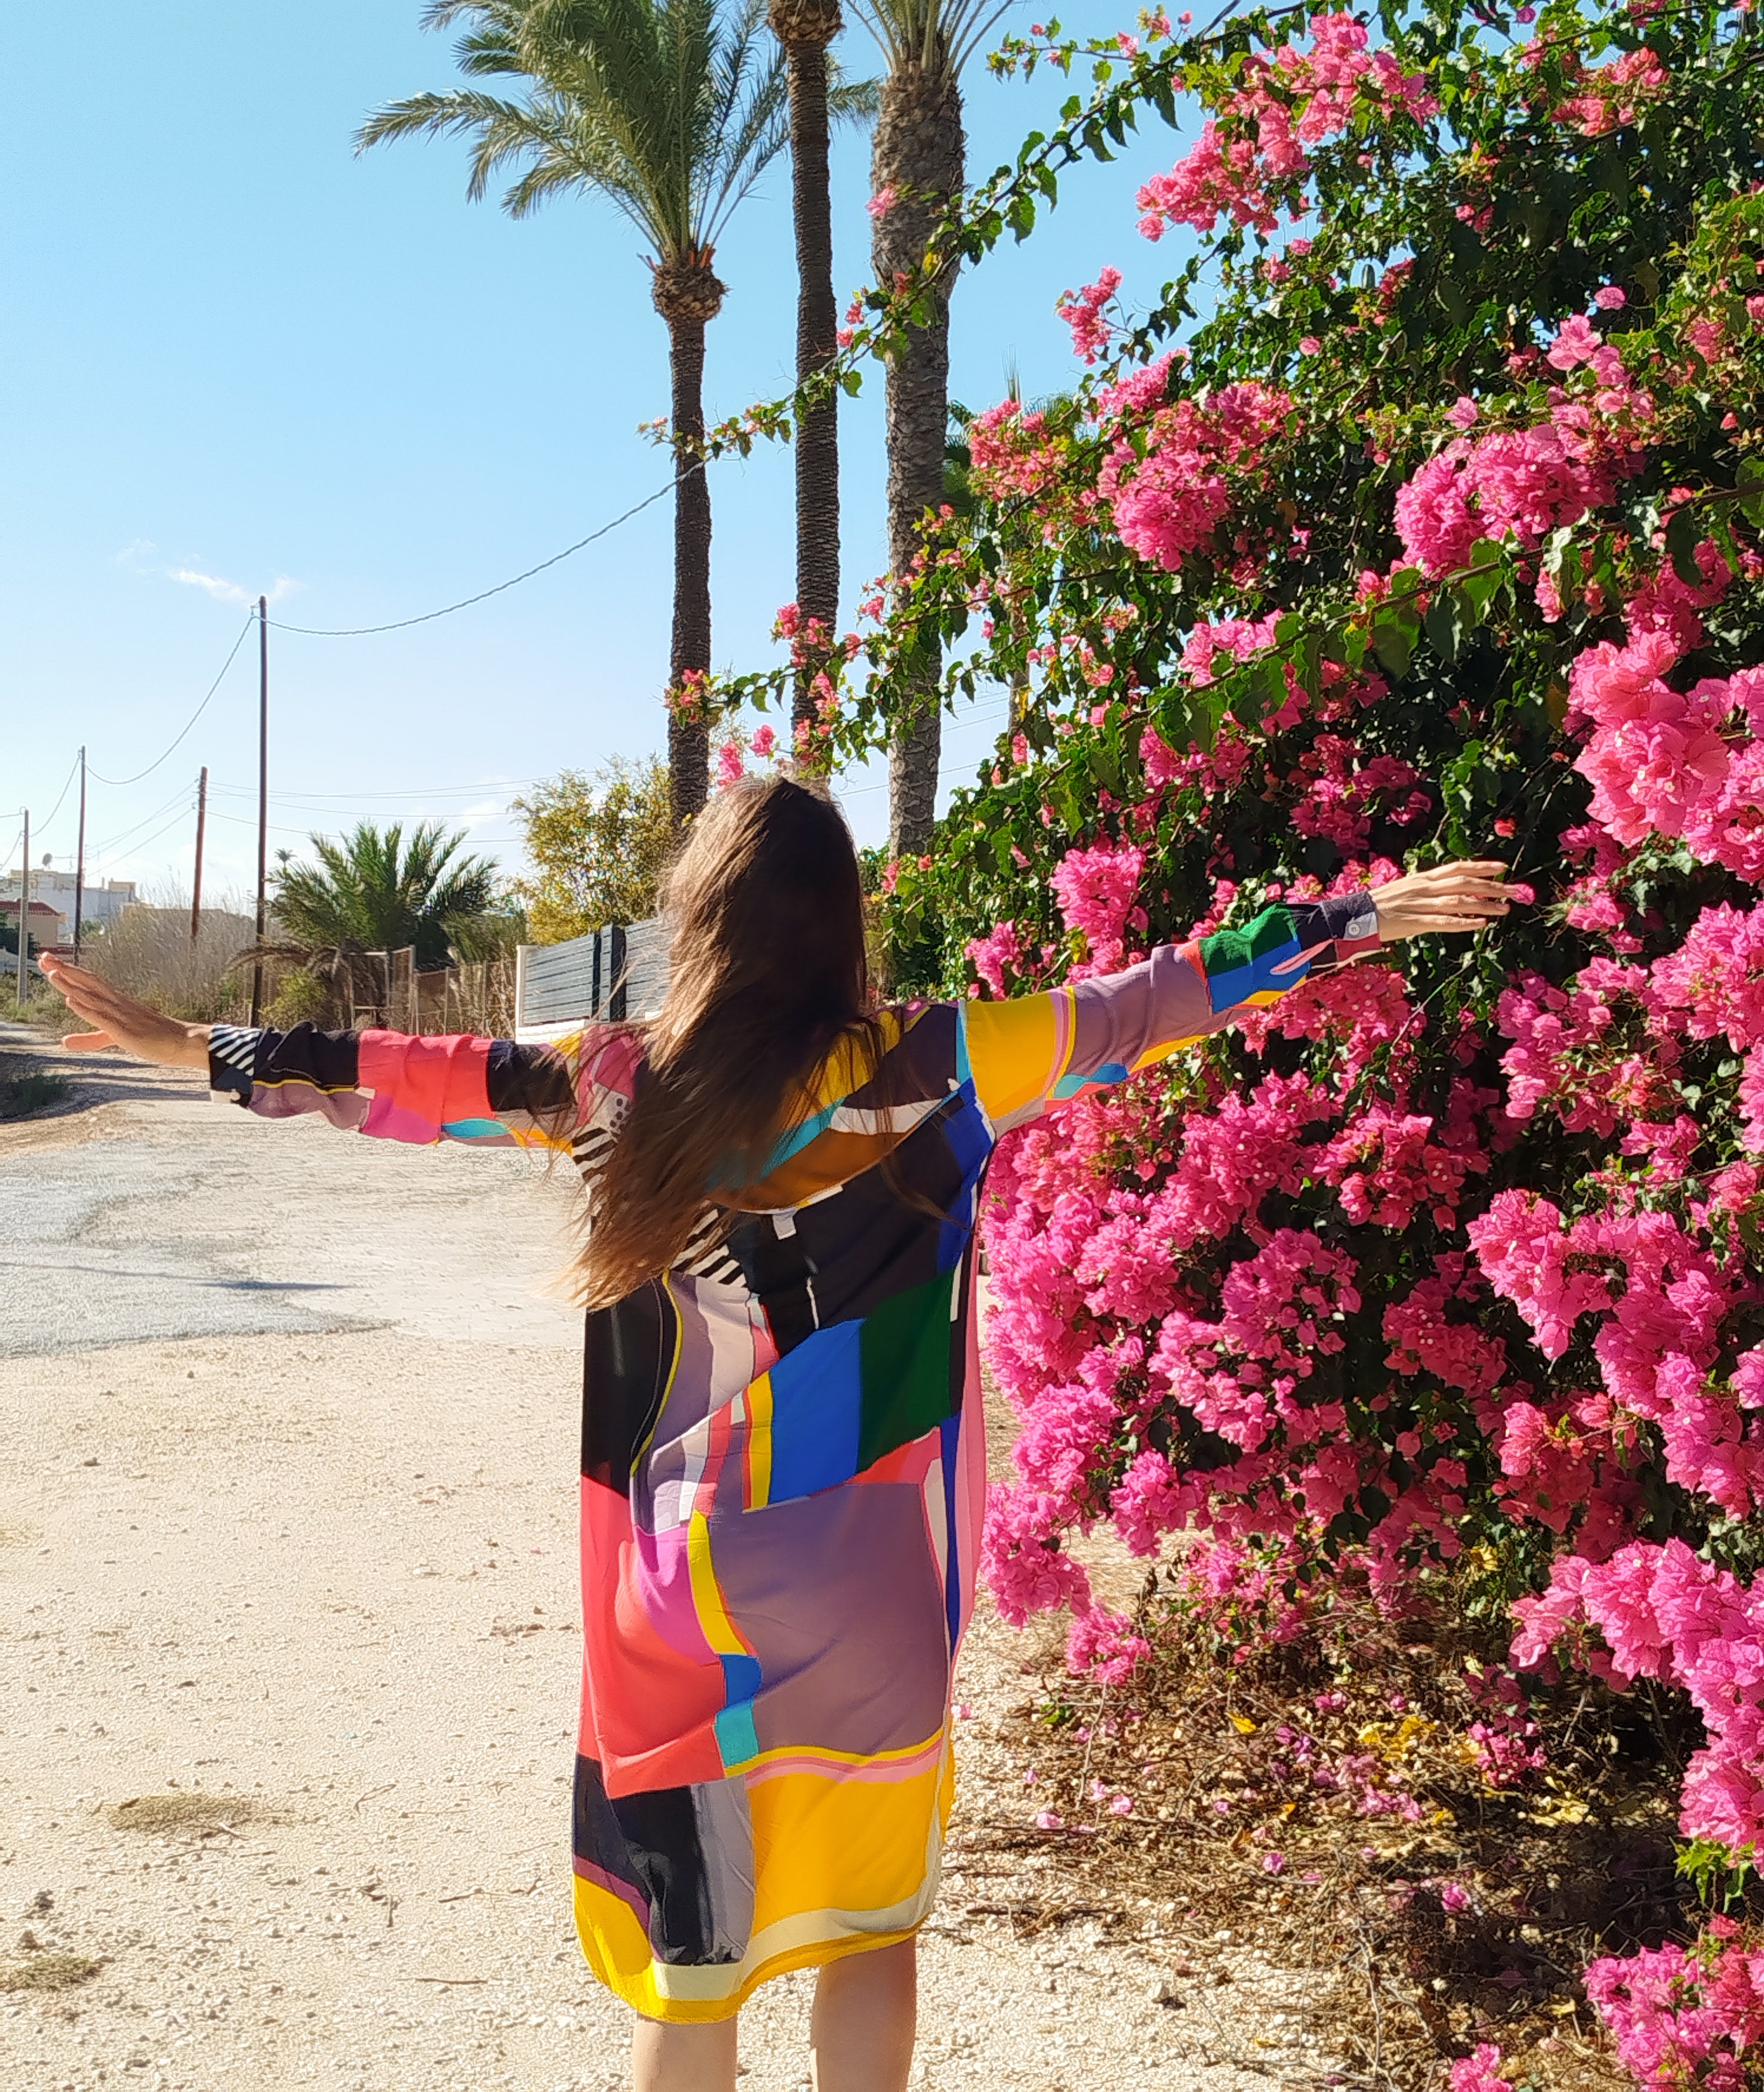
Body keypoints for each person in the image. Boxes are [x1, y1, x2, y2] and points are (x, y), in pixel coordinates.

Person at [41, 777, 1513, 2092]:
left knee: (696, 1967)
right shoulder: (943, 1062)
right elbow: (1155, 995)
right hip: (867, 1582)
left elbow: (397, 1065)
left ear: (703, 921)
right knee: (869, 1929)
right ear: (841, 919)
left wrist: (192, 1044)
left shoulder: (612, 1079)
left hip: (679, 1593)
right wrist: (1357, 914)